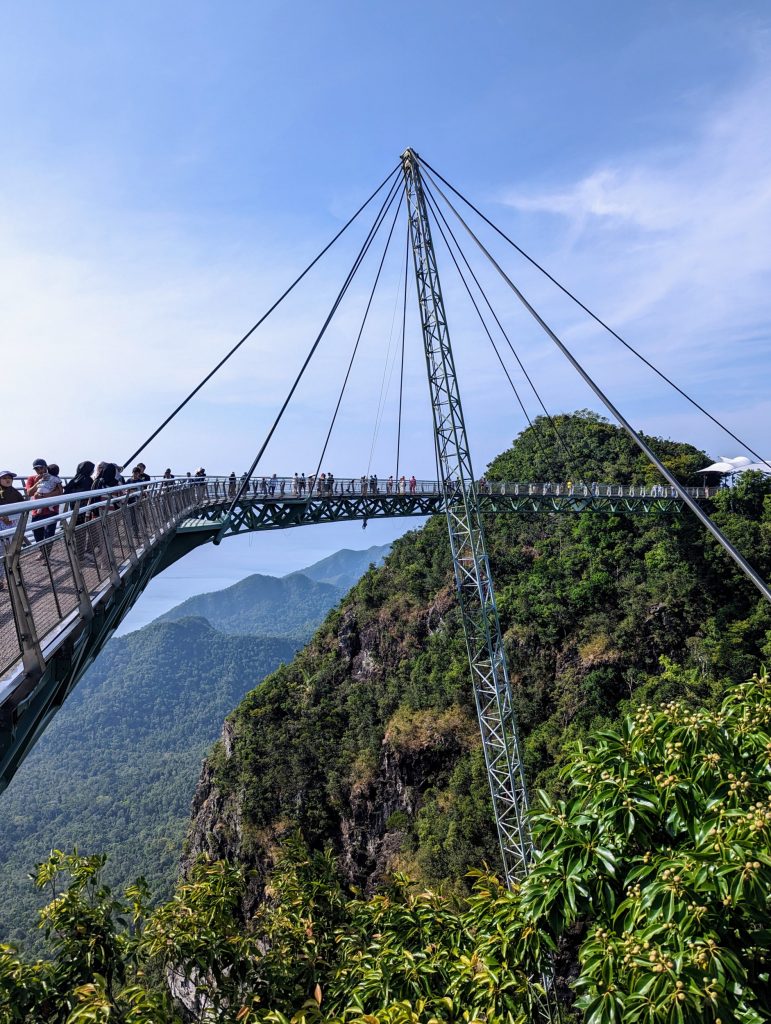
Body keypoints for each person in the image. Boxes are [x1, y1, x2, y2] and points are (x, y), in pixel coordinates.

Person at [25, 459, 63, 544]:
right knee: (37, 534)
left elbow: (60, 492)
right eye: (36, 469)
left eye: (41, 468)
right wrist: (37, 482)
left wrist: (44, 495)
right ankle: (43, 553)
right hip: (37, 512)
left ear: (46, 467)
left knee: (50, 534)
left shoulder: (53, 477)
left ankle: (46, 554)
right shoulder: (31, 478)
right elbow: (29, 493)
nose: (39, 471)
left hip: (52, 510)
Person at [0, 471, 24, 589]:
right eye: (4, 478)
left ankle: (13, 573)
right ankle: (1, 579)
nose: (8, 480)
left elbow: (23, 506)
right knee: (1, 552)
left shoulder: (14, 492)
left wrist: (11, 518)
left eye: (9, 478)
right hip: (1, 524)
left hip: (12, 524)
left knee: (12, 550)